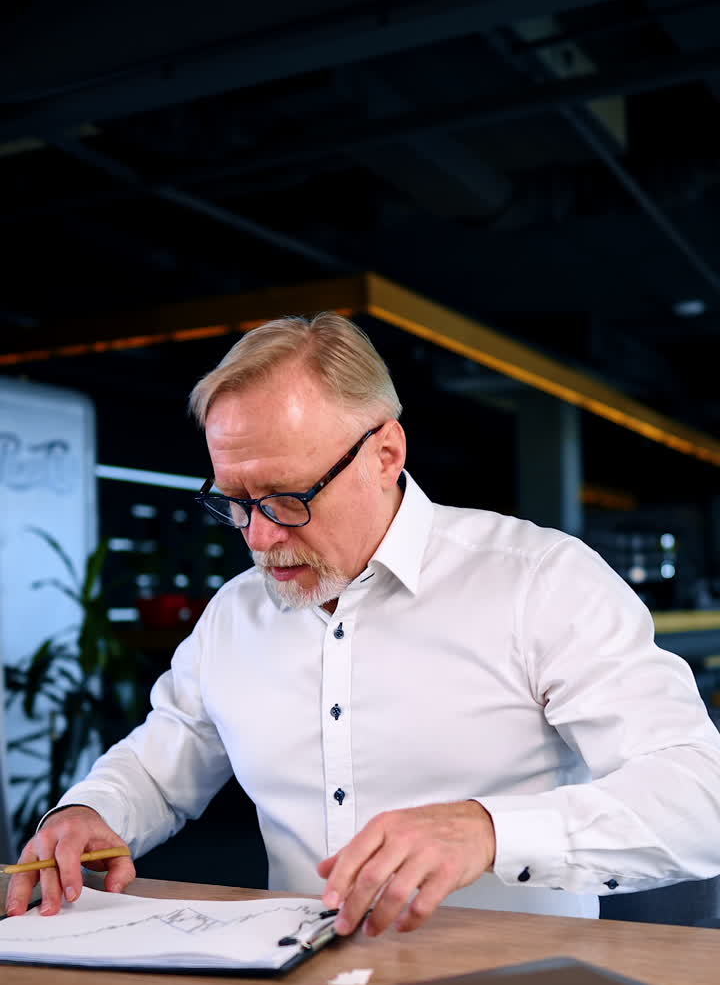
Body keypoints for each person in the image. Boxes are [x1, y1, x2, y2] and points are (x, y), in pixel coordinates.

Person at [7, 313, 720, 935]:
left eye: (286, 497)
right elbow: (159, 765)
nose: (256, 538)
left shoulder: (539, 581)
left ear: (386, 454)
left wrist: (492, 830)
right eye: (234, 501)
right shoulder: (234, 615)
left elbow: (699, 797)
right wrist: (89, 812)